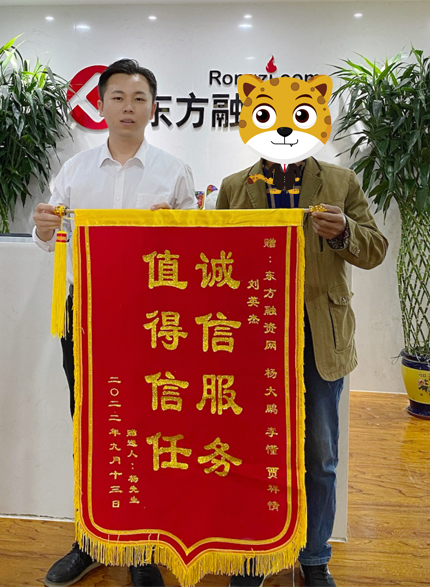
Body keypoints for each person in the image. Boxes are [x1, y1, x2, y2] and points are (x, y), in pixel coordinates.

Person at [33, 58, 196, 587]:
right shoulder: (75, 171)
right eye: (118, 97)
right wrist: (43, 226)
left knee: (147, 428)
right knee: (89, 426)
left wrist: (173, 232)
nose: (128, 107)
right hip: (86, 316)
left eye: (139, 98)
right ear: (100, 105)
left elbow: (195, 250)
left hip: (153, 321)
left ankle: (142, 546)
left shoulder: (174, 171)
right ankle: (91, 539)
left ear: (153, 108)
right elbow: (48, 238)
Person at [216, 156, 388, 587]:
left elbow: (375, 249)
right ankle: (253, 554)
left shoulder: (340, 180)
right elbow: (214, 257)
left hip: (319, 338)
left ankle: (314, 556)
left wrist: (344, 232)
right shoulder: (235, 186)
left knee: (320, 456)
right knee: (250, 454)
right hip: (253, 339)